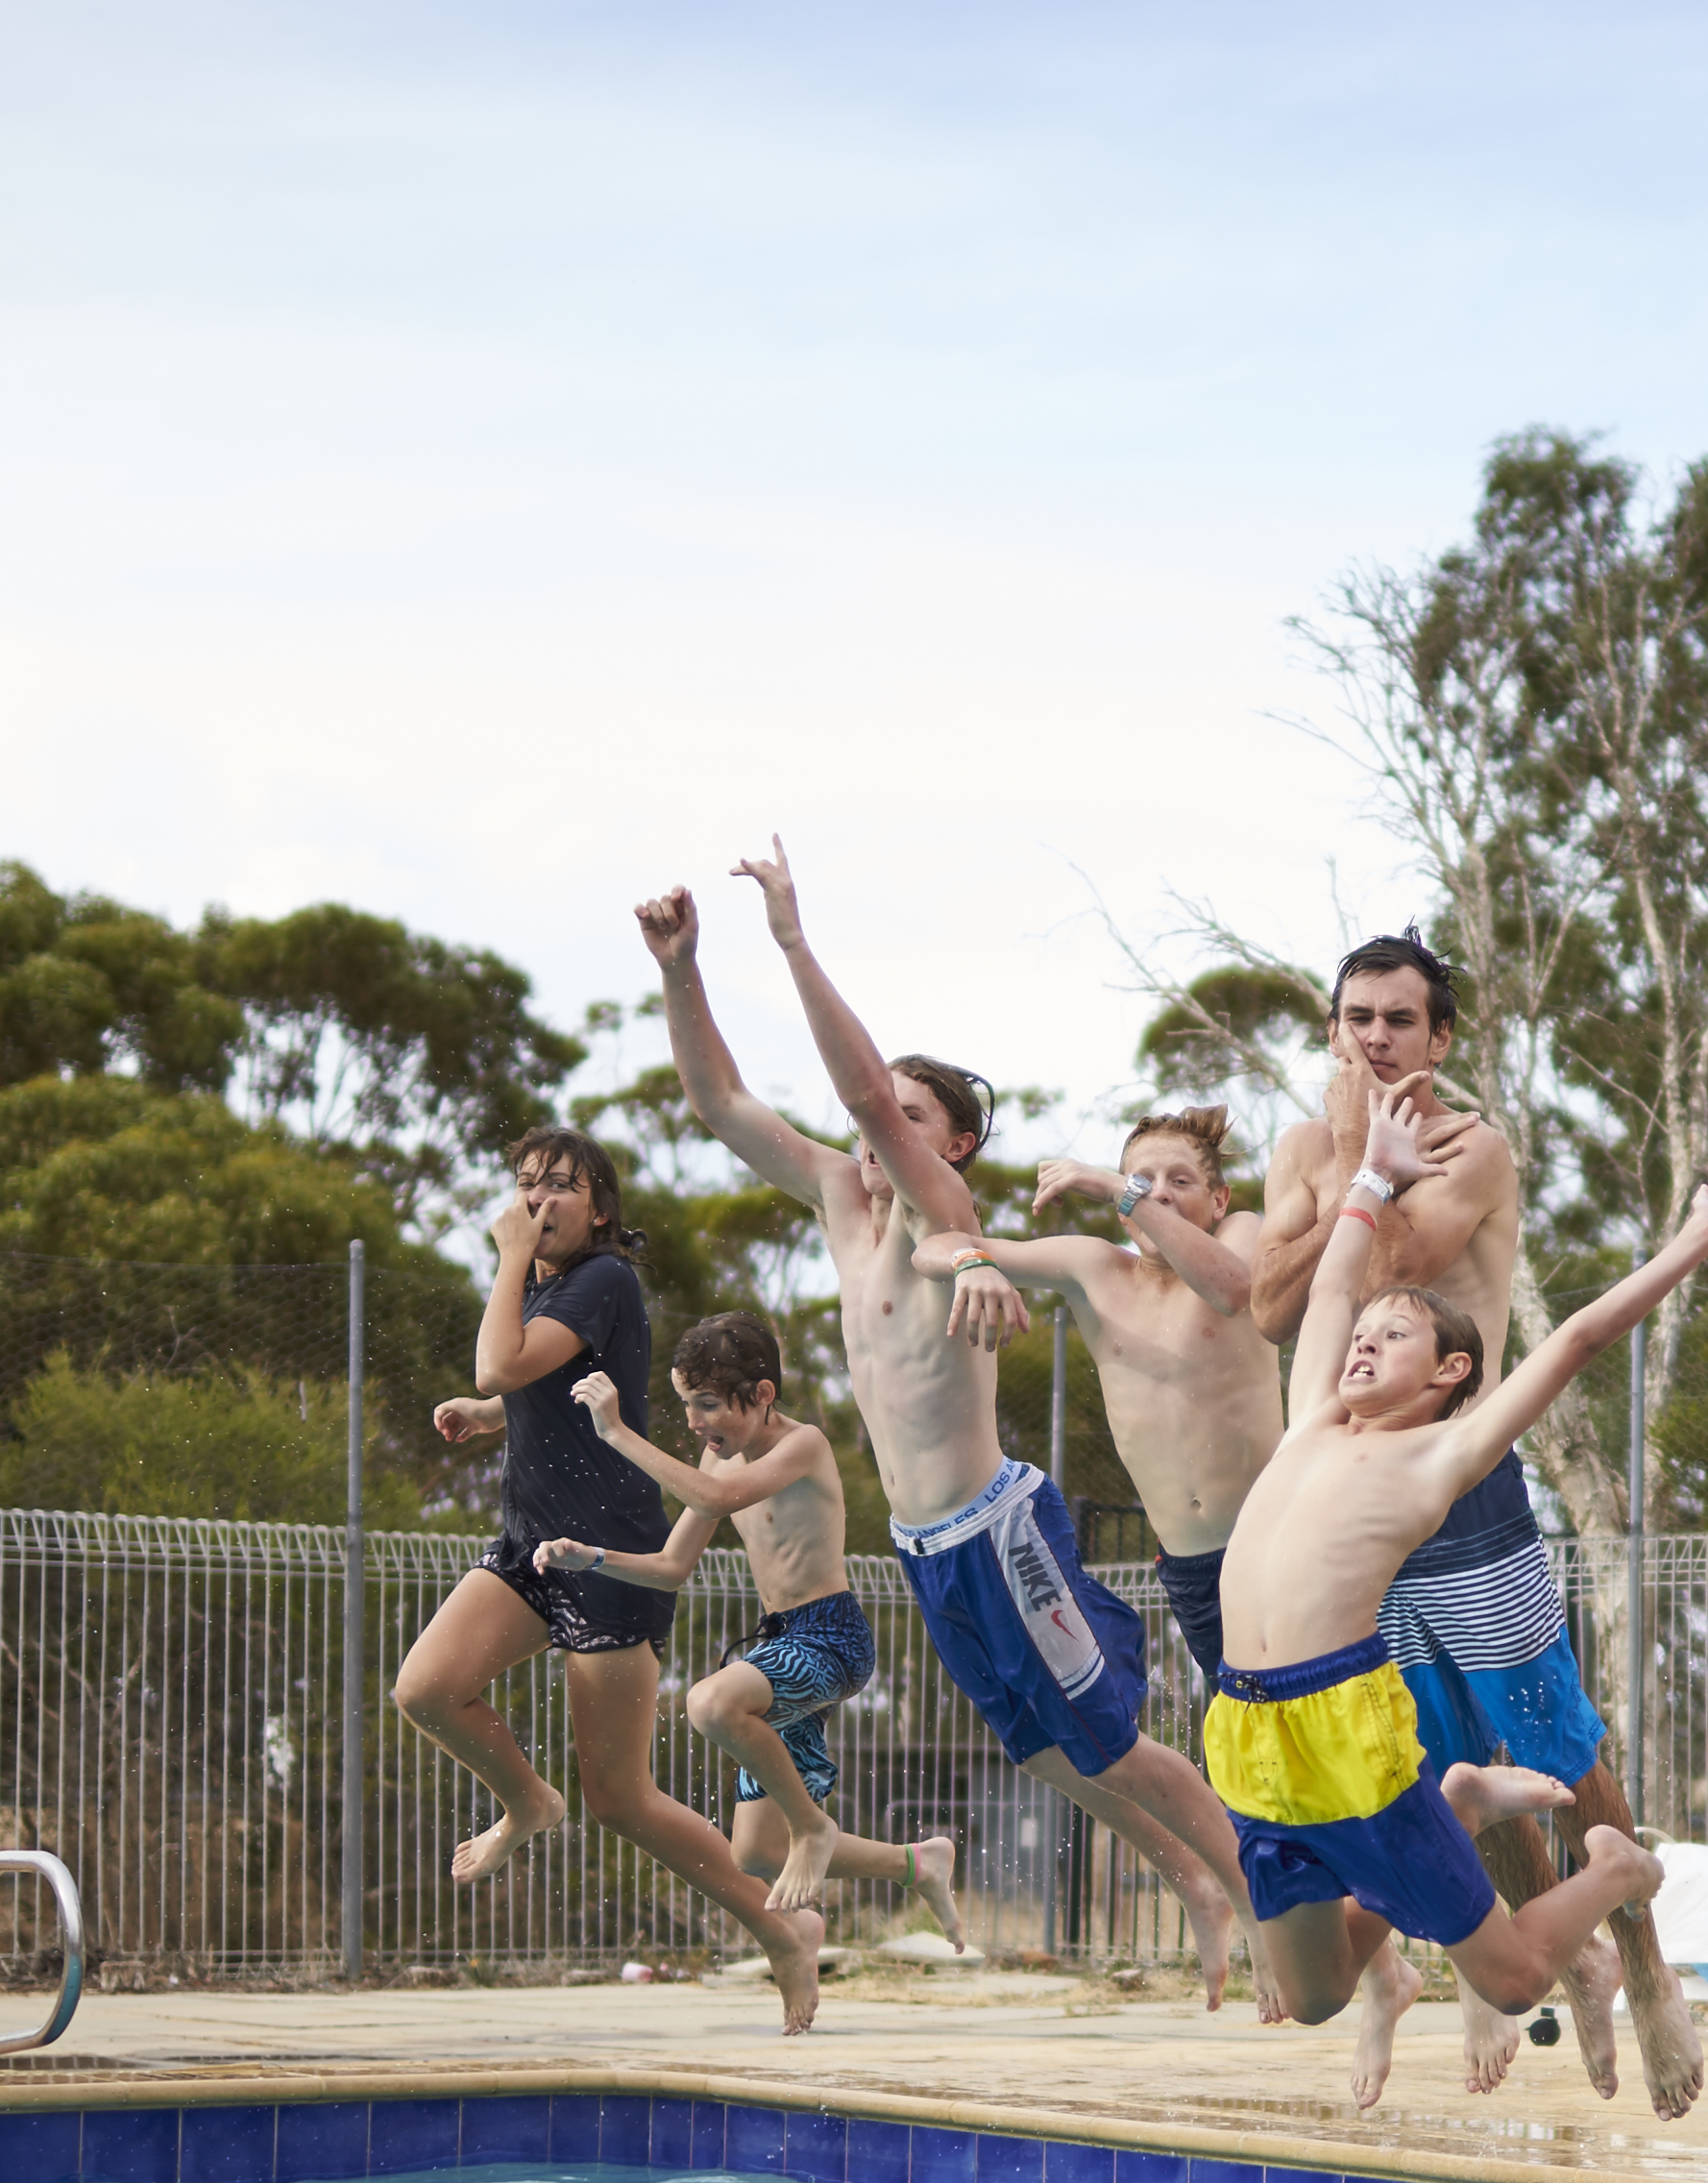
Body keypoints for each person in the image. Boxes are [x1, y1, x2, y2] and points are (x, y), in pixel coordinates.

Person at [638, 843, 1254, 2005]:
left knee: (1111, 1743)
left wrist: (788, 939)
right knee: (1044, 1755)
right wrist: (683, 969)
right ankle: (1197, 1888)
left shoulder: (944, 1208)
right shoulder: (835, 1197)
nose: (880, 1131)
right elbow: (718, 1102)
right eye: (885, 1119)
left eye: (913, 1120)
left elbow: (869, 1093)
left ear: (949, 1145)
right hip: (929, 1551)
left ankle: (1260, 1901)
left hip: (997, 1527)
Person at [1216, 1081, 1708, 2108]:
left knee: (1516, 1979)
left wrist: (1694, 1242)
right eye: (1363, 1335)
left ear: (1450, 1374)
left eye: (1395, 1337)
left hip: (1341, 1734)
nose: (1361, 1342)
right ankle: (1465, 1802)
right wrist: (1373, 1174)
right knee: (1311, 1995)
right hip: (1245, 1732)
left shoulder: (1438, 1458)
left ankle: (1612, 1867)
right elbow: (1335, 1281)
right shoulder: (1308, 1419)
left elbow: (1576, 1344)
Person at [392, 1125, 824, 2020]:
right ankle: (527, 1801)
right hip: (528, 1548)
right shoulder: (552, 1288)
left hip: (609, 1562)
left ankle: (782, 1929)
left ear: (599, 1207)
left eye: (558, 1185)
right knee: (426, 1688)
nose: (537, 1200)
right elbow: (542, 1391)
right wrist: (493, 1414)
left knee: (623, 1801)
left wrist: (504, 1286)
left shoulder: (602, 1279)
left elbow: (503, 1358)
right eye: (525, 1184)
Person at [551, 1309, 965, 1953]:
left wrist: (617, 1433)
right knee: (756, 1851)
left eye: (710, 1404)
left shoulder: (805, 1446)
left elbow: (718, 1501)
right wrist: (595, 1558)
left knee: (711, 1702)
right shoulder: (716, 1461)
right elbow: (671, 1567)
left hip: (831, 1639)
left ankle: (813, 1828)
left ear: (763, 1394)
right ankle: (918, 1863)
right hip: (781, 1647)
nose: (695, 1421)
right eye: (688, 1404)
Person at [967, 1109, 1288, 1701]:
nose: (1157, 1194)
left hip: (1276, 1543)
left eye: (1179, 1182)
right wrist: (969, 1265)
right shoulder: (1096, 1269)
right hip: (1189, 1569)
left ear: (1218, 1200)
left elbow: (1230, 1290)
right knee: (1251, 1738)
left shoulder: (1242, 1232)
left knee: (1324, 1723)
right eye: (1142, 1179)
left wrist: (1125, 1190)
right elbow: (935, 1247)